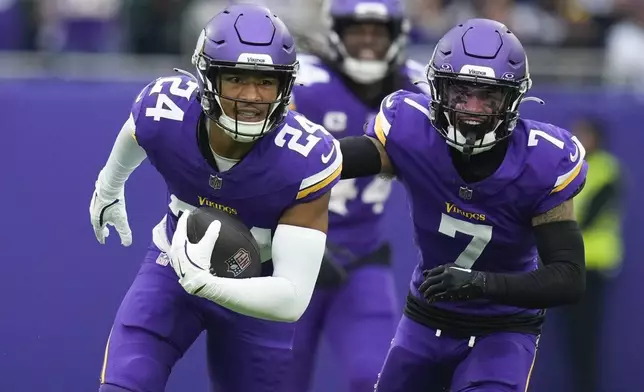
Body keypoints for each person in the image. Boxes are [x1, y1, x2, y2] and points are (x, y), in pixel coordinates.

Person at [88, 4, 342, 392]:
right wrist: (108, 186)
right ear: (208, 78)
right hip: (171, 266)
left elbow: (291, 296)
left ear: (286, 85)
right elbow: (135, 133)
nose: (251, 96)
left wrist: (208, 285)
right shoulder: (166, 110)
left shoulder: (305, 157)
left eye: (266, 81)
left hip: (261, 292)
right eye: (236, 78)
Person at [338, 18, 588, 392]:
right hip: (425, 320)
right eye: (460, 92)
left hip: (503, 329)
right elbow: (328, 162)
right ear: (439, 89)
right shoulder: (410, 130)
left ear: (513, 98)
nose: (472, 108)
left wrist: (482, 284)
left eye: (488, 95)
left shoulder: (542, 161)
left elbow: (569, 277)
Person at [286, 0, 426, 390]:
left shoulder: (418, 90)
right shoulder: (304, 84)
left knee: (377, 377)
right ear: (336, 33)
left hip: (362, 258)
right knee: (278, 381)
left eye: (377, 32)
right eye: (357, 30)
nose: (367, 40)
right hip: (287, 256)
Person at [562, 116, 623, 392]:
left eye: (585, 134)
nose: (580, 138)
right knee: (571, 337)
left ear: (597, 137)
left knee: (586, 336)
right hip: (568, 264)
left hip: (594, 266)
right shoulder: (571, 168)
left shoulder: (608, 170)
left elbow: (588, 216)